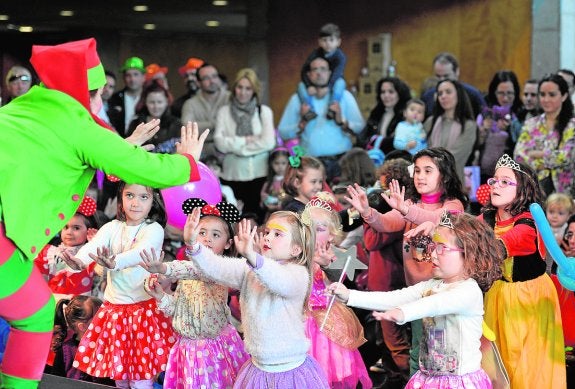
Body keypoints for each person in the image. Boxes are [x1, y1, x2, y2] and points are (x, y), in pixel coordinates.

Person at [0, 37, 207, 389]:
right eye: (99, 96)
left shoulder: (25, 107)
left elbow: (64, 154)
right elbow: (145, 168)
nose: (100, 104)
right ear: (87, 93)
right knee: (34, 316)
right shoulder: (77, 120)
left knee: (35, 310)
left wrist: (120, 146)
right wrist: (188, 160)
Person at [142, 209, 330, 388]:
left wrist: (252, 256)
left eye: (277, 234)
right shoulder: (249, 268)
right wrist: (193, 245)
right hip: (259, 367)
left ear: (296, 249)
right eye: (267, 232)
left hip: (290, 369)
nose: (267, 237)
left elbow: (279, 281)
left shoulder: (298, 274)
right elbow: (216, 266)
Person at [329, 211, 505, 388]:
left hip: (459, 382)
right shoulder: (433, 285)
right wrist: (350, 296)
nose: (433, 255)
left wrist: (404, 312)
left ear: (470, 254)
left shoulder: (468, 291)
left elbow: (436, 304)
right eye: (433, 246)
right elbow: (397, 297)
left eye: (442, 248)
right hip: (429, 377)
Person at [345, 147, 468, 375]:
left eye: (428, 171)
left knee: (444, 354)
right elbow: (386, 223)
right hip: (419, 293)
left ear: (445, 174)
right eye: (418, 170)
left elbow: (435, 219)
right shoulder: (411, 206)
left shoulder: (453, 206)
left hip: (445, 295)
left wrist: (405, 209)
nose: (420, 176)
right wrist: (367, 212)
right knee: (417, 352)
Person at [61, 182, 176, 388]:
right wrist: (79, 261)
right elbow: (95, 245)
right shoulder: (112, 227)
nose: (135, 203)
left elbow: (140, 252)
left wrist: (115, 262)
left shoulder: (153, 229)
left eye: (143, 197)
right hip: (115, 313)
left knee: (141, 382)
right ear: (121, 198)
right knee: (121, 380)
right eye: (130, 195)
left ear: (153, 201)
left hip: (143, 313)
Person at [140, 198, 249, 388]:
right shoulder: (186, 270)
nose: (207, 238)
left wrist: (164, 267)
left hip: (215, 350)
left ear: (227, 243)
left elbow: (194, 270)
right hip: (188, 350)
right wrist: (161, 297)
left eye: (216, 235)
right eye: (202, 233)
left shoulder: (218, 270)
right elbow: (178, 310)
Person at [479, 154, 566, 388]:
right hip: (498, 295)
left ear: (523, 190)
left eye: (505, 181)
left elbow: (504, 244)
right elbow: (462, 229)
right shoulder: (488, 217)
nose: (496, 185)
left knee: (525, 365)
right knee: (498, 362)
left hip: (528, 300)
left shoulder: (528, 223)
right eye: (494, 180)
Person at [300, 193, 372, 388]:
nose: (313, 233)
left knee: (327, 368)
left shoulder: (333, 255)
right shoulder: (297, 254)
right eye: (308, 228)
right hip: (300, 321)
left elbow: (338, 279)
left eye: (320, 229)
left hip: (327, 323)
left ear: (331, 234)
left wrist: (324, 265)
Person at [278, 56, 364, 183]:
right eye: (315, 69)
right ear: (309, 74)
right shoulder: (297, 99)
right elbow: (283, 132)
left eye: (323, 69)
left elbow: (360, 126)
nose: (319, 73)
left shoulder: (344, 96)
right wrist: (301, 124)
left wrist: (342, 121)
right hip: (310, 165)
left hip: (342, 162)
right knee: (315, 203)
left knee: (341, 201)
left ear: (330, 73)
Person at [214, 68, 276, 219]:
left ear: (254, 90)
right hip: (232, 175)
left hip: (259, 176)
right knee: (233, 220)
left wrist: (236, 147)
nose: (243, 92)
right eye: (240, 87)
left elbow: (268, 142)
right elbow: (219, 142)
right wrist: (245, 141)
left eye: (248, 88)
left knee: (258, 220)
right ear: (234, 88)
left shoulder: (263, 111)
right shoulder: (224, 112)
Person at [514, 73, 575, 197]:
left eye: (552, 95)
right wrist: (550, 159)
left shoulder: (572, 125)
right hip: (535, 191)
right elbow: (519, 157)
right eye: (542, 94)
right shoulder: (530, 124)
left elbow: (566, 157)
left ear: (564, 96)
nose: (546, 99)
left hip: (566, 195)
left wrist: (538, 154)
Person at [34, 196, 98, 301]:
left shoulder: (91, 255)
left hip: (82, 308)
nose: (69, 232)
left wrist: (95, 244)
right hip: (53, 304)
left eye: (76, 228)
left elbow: (102, 272)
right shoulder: (48, 252)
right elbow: (38, 281)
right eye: (66, 227)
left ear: (89, 230)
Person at [424, 79, 477, 182]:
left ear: (458, 95)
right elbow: (420, 146)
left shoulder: (469, 126)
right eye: (440, 93)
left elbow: (454, 157)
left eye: (448, 92)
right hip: (427, 181)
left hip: (453, 183)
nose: (443, 96)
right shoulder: (431, 122)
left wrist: (426, 163)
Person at [51, 296, 112, 384]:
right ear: (83, 327)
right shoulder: (65, 351)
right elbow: (54, 384)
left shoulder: (108, 348)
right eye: (100, 318)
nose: (107, 320)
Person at [476, 70, 523, 182]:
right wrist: (483, 131)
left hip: (513, 175)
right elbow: (475, 145)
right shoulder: (485, 114)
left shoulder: (522, 114)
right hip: (486, 174)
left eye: (510, 93)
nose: (505, 98)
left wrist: (511, 130)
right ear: (494, 93)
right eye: (501, 93)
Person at [298, 23, 347, 121]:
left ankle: (332, 107)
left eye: (331, 40)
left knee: (341, 83)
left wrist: (328, 87)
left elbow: (337, 74)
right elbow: (304, 70)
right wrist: (309, 85)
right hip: (316, 81)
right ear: (319, 42)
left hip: (333, 81)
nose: (328, 43)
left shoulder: (340, 57)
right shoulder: (315, 53)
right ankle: (309, 109)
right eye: (324, 40)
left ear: (338, 42)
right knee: (300, 86)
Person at [182, 63, 231, 159]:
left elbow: (233, 126)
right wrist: (217, 124)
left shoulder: (230, 98)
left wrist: (202, 126)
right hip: (201, 153)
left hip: (228, 151)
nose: (212, 81)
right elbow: (188, 128)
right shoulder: (190, 104)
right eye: (206, 78)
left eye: (214, 76)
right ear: (198, 83)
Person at [420, 52, 486, 118]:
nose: (442, 80)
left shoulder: (473, 94)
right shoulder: (428, 96)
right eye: (438, 76)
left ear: (457, 72)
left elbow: (485, 118)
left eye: (446, 76)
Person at [359, 77, 412, 155]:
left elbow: (398, 143)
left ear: (400, 93)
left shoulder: (406, 116)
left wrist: (376, 141)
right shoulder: (376, 113)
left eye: (391, 92)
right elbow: (362, 138)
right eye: (383, 92)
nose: (386, 95)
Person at [127, 81, 181, 151]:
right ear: (145, 102)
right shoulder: (135, 123)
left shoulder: (175, 123)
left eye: (159, 102)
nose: (156, 106)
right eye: (152, 102)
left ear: (166, 102)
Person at [108, 56, 147, 136]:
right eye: (128, 75)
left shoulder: (149, 98)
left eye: (136, 74)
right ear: (124, 78)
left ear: (144, 77)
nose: (132, 79)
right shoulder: (114, 98)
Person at [260, 147, 290, 215]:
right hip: (271, 214)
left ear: (289, 163)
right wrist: (266, 201)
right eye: (276, 163)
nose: (280, 167)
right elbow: (263, 197)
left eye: (283, 163)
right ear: (271, 164)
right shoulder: (269, 182)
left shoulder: (290, 181)